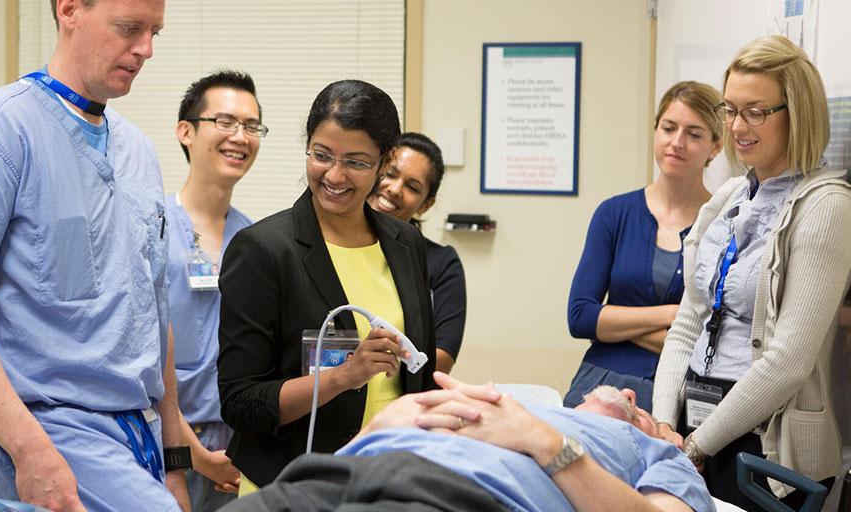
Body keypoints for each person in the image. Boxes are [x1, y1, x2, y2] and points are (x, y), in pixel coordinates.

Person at [0, 1, 190, 511]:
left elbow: (154, 318)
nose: (146, 49)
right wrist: (30, 451)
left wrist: (175, 461)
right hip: (47, 430)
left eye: (154, 31)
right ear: (68, 9)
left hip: (139, 434)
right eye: (129, 28)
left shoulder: (137, 153)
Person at [652, 35, 851, 511]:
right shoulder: (728, 199)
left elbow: (788, 362)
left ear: (796, 113)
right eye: (730, 110)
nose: (738, 127)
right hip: (691, 424)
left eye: (755, 111)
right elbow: (688, 323)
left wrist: (699, 445)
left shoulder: (826, 207)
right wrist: (664, 426)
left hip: (763, 444)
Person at [216, 79, 437, 493]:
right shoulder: (264, 250)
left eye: (355, 161)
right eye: (321, 156)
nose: (334, 175)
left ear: (384, 162)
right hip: (291, 485)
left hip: (389, 478)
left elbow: (418, 375)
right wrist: (343, 377)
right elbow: (241, 404)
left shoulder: (405, 244)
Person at [220, 372, 713, 512]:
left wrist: (545, 443)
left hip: (452, 497)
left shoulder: (664, 457)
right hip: (340, 474)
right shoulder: (525, 400)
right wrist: (379, 426)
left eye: (646, 412)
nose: (631, 393)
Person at [565, 81, 724, 411]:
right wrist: (671, 314)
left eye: (694, 134)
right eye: (668, 128)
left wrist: (614, 327)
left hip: (680, 391)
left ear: (716, 146)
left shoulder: (723, 221)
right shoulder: (614, 213)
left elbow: (711, 338)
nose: (676, 142)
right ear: (656, 131)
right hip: (602, 383)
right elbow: (580, 317)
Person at [169, 70, 264, 510]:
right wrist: (192, 455)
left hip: (236, 456)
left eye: (251, 126)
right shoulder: (151, 229)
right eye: (225, 122)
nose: (240, 137)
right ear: (186, 131)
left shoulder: (257, 241)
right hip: (165, 445)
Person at [368, 132, 467, 373]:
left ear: (425, 204)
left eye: (412, 187)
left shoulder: (441, 263)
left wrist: (374, 363)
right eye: (390, 174)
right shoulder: (330, 244)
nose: (394, 189)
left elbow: (442, 359)